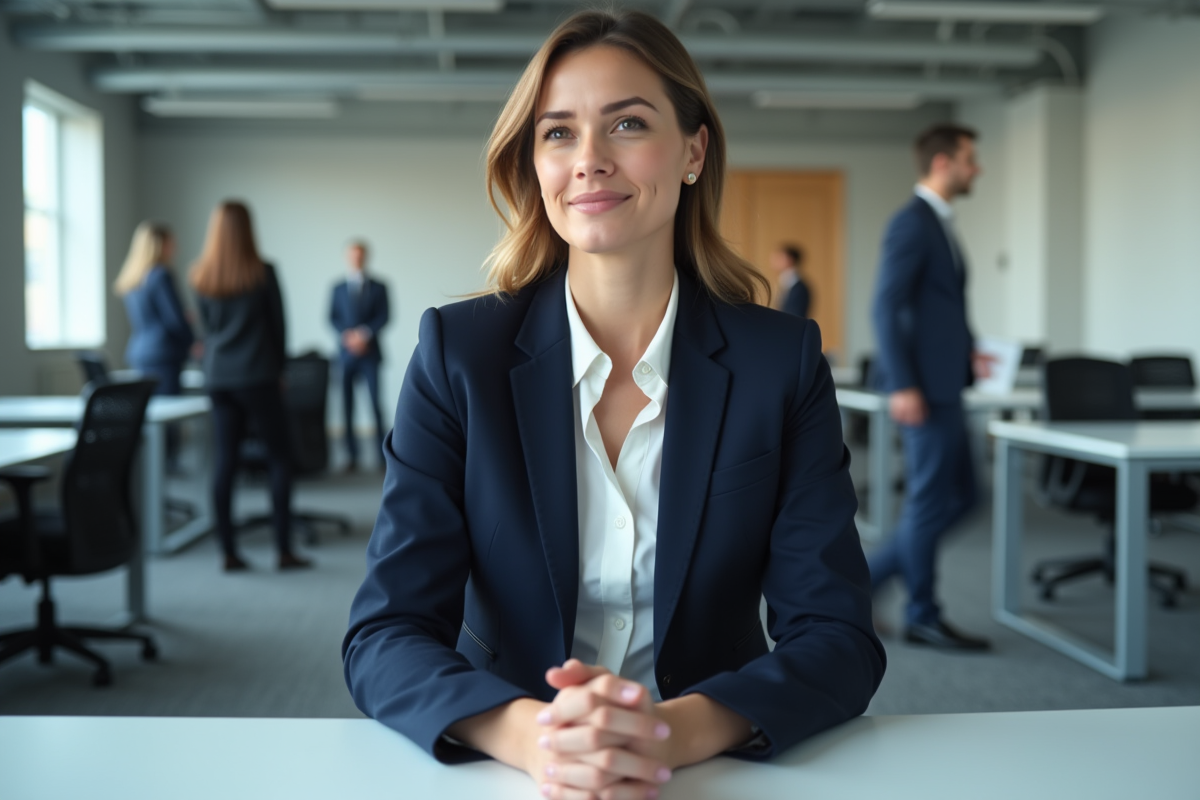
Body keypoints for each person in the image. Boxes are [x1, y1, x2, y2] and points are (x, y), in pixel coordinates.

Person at [343, 10, 884, 800]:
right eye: (557, 134)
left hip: (715, 769)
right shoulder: (459, 357)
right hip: (511, 769)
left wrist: (671, 731)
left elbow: (838, 637)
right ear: (534, 165)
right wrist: (533, 734)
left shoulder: (781, 363)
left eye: (627, 123)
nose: (589, 160)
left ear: (694, 150)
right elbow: (384, 634)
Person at [869, 123, 994, 651]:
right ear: (943, 163)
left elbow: (937, 307)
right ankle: (922, 613)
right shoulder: (913, 223)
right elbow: (885, 306)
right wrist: (903, 384)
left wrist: (968, 348)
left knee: (964, 497)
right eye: (970, 159)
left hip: (945, 383)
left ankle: (863, 582)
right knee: (927, 503)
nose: (977, 168)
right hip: (922, 391)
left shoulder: (938, 223)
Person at [190, 201, 311, 573]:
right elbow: (278, 329)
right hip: (258, 376)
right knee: (278, 459)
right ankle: (283, 550)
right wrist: (279, 370)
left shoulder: (201, 276)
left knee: (225, 461)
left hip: (218, 379)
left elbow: (207, 332)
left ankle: (228, 551)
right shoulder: (263, 272)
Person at [329, 240, 390, 471]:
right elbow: (332, 317)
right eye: (353, 255)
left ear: (366, 257)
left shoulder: (380, 286)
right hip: (345, 355)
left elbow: (385, 316)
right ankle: (350, 456)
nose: (357, 259)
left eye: (360, 255)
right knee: (346, 405)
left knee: (375, 404)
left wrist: (364, 335)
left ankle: (381, 456)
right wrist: (349, 336)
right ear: (347, 257)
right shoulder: (336, 288)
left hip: (370, 354)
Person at [114, 222, 195, 396]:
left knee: (148, 412)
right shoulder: (161, 275)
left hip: (140, 353)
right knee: (168, 415)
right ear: (159, 245)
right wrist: (192, 341)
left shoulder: (134, 277)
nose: (175, 248)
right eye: (171, 243)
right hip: (164, 355)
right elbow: (174, 319)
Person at [771, 243, 811, 319]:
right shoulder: (783, 282)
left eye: (780, 257)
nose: (775, 261)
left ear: (790, 259)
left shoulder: (799, 288)